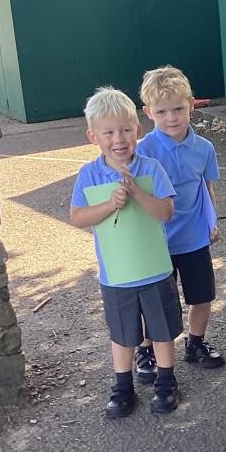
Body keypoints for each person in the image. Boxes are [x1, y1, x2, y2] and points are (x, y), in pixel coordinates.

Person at [69, 87, 182, 418]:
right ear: (93, 136)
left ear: (138, 130)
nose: (118, 139)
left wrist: (137, 193)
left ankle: (166, 381)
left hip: (155, 269)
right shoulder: (88, 174)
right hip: (116, 275)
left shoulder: (151, 169)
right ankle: (122, 386)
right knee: (122, 334)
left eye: (126, 130)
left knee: (161, 330)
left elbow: (166, 212)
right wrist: (108, 204)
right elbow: (77, 217)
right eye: (108, 133)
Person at [135, 65, 224, 383]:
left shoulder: (204, 149)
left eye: (178, 109)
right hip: (157, 241)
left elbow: (206, 186)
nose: (171, 117)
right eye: (161, 111)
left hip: (194, 237)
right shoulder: (142, 151)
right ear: (148, 112)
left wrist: (212, 219)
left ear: (191, 105)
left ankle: (195, 343)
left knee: (202, 297)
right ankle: (146, 349)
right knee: (156, 302)